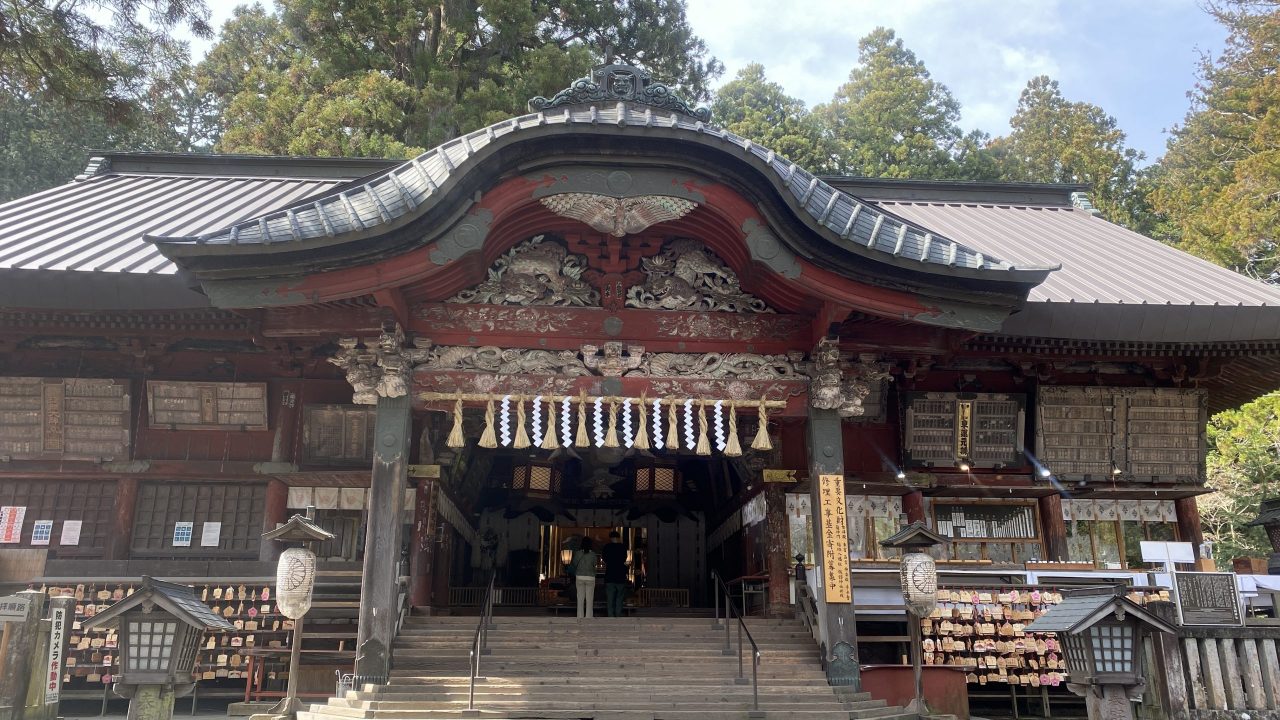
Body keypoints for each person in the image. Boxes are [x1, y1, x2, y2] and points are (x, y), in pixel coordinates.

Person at [601, 531, 628, 617]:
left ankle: (610, 616)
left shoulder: (607, 547)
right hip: (620, 574)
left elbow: (604, 559)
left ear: (611, 538)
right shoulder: (623, 547)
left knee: (610, 598)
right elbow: (624, 559)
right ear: (618, 537)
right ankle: (618, 614)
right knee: (619, 597)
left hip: (610, 574)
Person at [571, 538, 599, 618]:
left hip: (579, 576)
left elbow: (574, 563)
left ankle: (580, 617)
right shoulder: (593, 554)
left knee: (580, 598)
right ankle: (588, 618)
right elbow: (594, 565)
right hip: (590, 577)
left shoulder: (578, 553)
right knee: (589, 599)